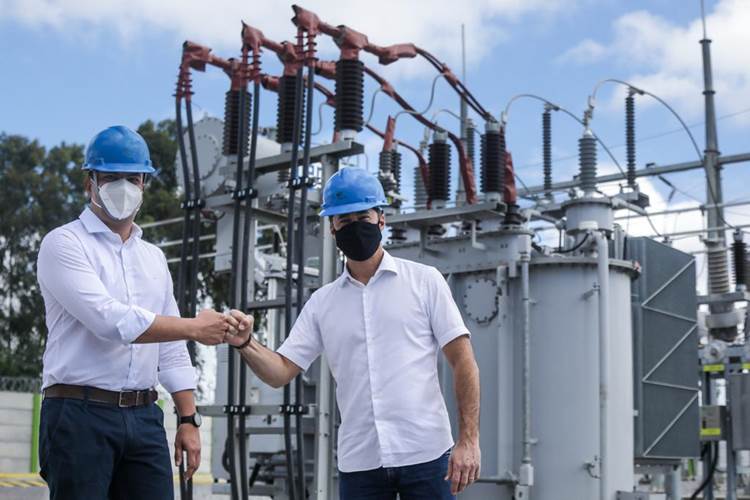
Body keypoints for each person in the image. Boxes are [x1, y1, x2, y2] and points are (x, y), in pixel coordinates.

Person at [225, 167, 482, 499]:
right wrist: (245, 343)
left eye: (363, 216)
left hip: (426, 455)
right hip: (361, 464)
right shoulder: (322, 303)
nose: (355, 226)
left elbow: (464, 362)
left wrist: (469, 440)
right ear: (332, 228)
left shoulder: (425, 281)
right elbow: (280, 371)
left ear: (381, 219)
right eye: (344, 220)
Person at [36, 125, 241, 499]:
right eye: (110, 178)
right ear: (90, 183)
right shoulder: (63, 244)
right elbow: (109, 320)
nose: (123, 187)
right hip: (78, 414)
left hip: (145, 416)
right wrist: (195, 327)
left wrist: (188, 418)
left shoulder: (153, 258)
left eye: (132, 178)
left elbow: (171, 348)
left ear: (144, 183)